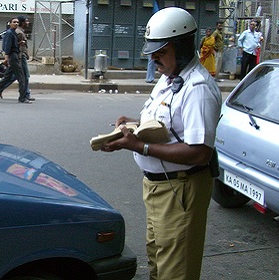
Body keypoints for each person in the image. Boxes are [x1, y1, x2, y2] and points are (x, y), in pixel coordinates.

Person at [100, 7, 221, 280]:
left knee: (176, 271)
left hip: (180, 189)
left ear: (182, 47)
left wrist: (139, 146)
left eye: (161, 52)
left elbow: (200, 153)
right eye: (152, 52)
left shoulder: (197, 89)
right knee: (158, 261)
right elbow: (165, 126)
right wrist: (131, 124)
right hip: (158, 187)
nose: (154, 59)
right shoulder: (169, 79)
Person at [0, 17, 29, 103]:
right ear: (10, 23)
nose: (16, 23)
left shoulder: (12, 33)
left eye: (17, 22)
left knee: (7, 78)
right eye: (14, 22)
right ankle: (22, 98)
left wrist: (19, 43)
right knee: (22, 77)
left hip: (14, 56)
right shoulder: (9, 33)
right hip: (13, 57)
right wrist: (6, 59)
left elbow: (12, 45)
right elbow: (7, 47)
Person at [0, 16, 35, 101]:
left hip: (20, 56)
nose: (28, 23)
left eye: (17, 22)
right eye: (26, 21)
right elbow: (10, 45)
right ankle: (25, 95)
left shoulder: (19, 31)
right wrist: (8, 57)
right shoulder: (16, 32)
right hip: (19, 57)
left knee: (15, 76)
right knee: (24, 76)